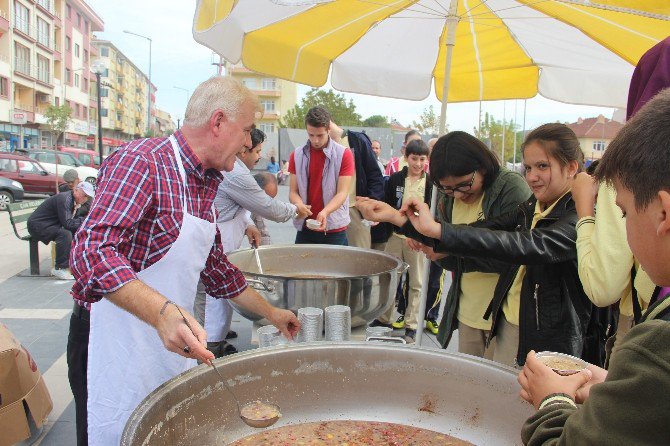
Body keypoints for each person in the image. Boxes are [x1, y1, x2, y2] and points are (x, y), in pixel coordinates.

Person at [67, 76, 300, 446]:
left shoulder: (206, 182)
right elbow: (89, 253)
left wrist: (272, 313)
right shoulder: (142, 162)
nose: (247, 143)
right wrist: (163, 313)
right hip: (114, 344)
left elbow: (218, 271)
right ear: (219, 122)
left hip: (166, 343)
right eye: (247, 130)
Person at [358, 124, 597, 367]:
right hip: (506, 320)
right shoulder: (532, 206)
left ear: (571, 168)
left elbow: (521, 245)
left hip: (540, 336)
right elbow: (483, 231)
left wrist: (438, 230)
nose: (532, 176)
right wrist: (398, 218)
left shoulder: (577, 215)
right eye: (528, 167)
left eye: (542, 166)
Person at [517, 88, 670, 446]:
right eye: (528, 167)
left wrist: (554, 400)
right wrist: (615, 385)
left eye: (624, 212)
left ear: (663, 212)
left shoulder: (656, 345)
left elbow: (601, 286)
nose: (533, 176)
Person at [408, 132, 530, 354]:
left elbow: (513, 257)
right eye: (446, 188)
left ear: (482, 167)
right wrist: (432, 246)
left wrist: (448, 250)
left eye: (464, 185)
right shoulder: (447, 197)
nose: (456, 195)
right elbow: (449, 254)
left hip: (507, 317)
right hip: (468, 311)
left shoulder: (511, 188)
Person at [197, 127, 310, 358]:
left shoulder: (236, 168)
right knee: (215, 301)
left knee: (224, 294)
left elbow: (238, 205)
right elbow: (268, 207)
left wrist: (248, 225)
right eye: (256, 149)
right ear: (242, 146)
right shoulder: (235, 173)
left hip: (224, 242)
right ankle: (210, 350)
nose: (258, 155)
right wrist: (295, 210)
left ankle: (217, 339)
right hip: (214, 243)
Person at [371, 139, 432, 343]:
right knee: (390, 279)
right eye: (414, 158)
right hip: (396, 236)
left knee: (416, 282)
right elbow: (388, 205)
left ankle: (412, 325)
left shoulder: (431, 183)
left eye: (422, 159)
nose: (417, 163)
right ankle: (384, 319)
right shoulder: (396, 178)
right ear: (407, 157)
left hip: (418, 239)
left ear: (426, 160)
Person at [289, 106, 354, 245]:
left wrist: (325, 212)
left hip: (334, 229)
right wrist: (299, 204)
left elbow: (342, 193)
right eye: (311, 135)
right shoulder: (297, 155)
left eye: (320, 135)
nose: (315, 140)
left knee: (335, 267)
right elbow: (293, 192)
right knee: (302, 266)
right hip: (306, 227)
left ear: (328, 129)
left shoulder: (344, 154)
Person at [328, 122, 385, 250]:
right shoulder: (322, 145)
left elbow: (374, 174)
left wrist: (373, 203)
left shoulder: (357, 140)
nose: (315, 139)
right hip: (330, 210)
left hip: (354, 208)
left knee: (360, 258)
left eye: (319, 134)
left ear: (328, 126)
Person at [27, 182, 95, 280]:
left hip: (49, 224)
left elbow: (71, 222)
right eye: (84, 195)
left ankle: (76, 262)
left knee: (75, 232)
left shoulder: (73, 200)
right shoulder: (65, 199)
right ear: (76, 190)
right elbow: (68, 223)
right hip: (38, 225)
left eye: (87, 197)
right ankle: (60, 268)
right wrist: (85, 220)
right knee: (65, 234)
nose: (85, 199)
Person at [251, 172, 279, 246]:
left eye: (271, 199)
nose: (268, 204)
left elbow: (263, 232)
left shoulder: (258, 207)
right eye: (266, 199)